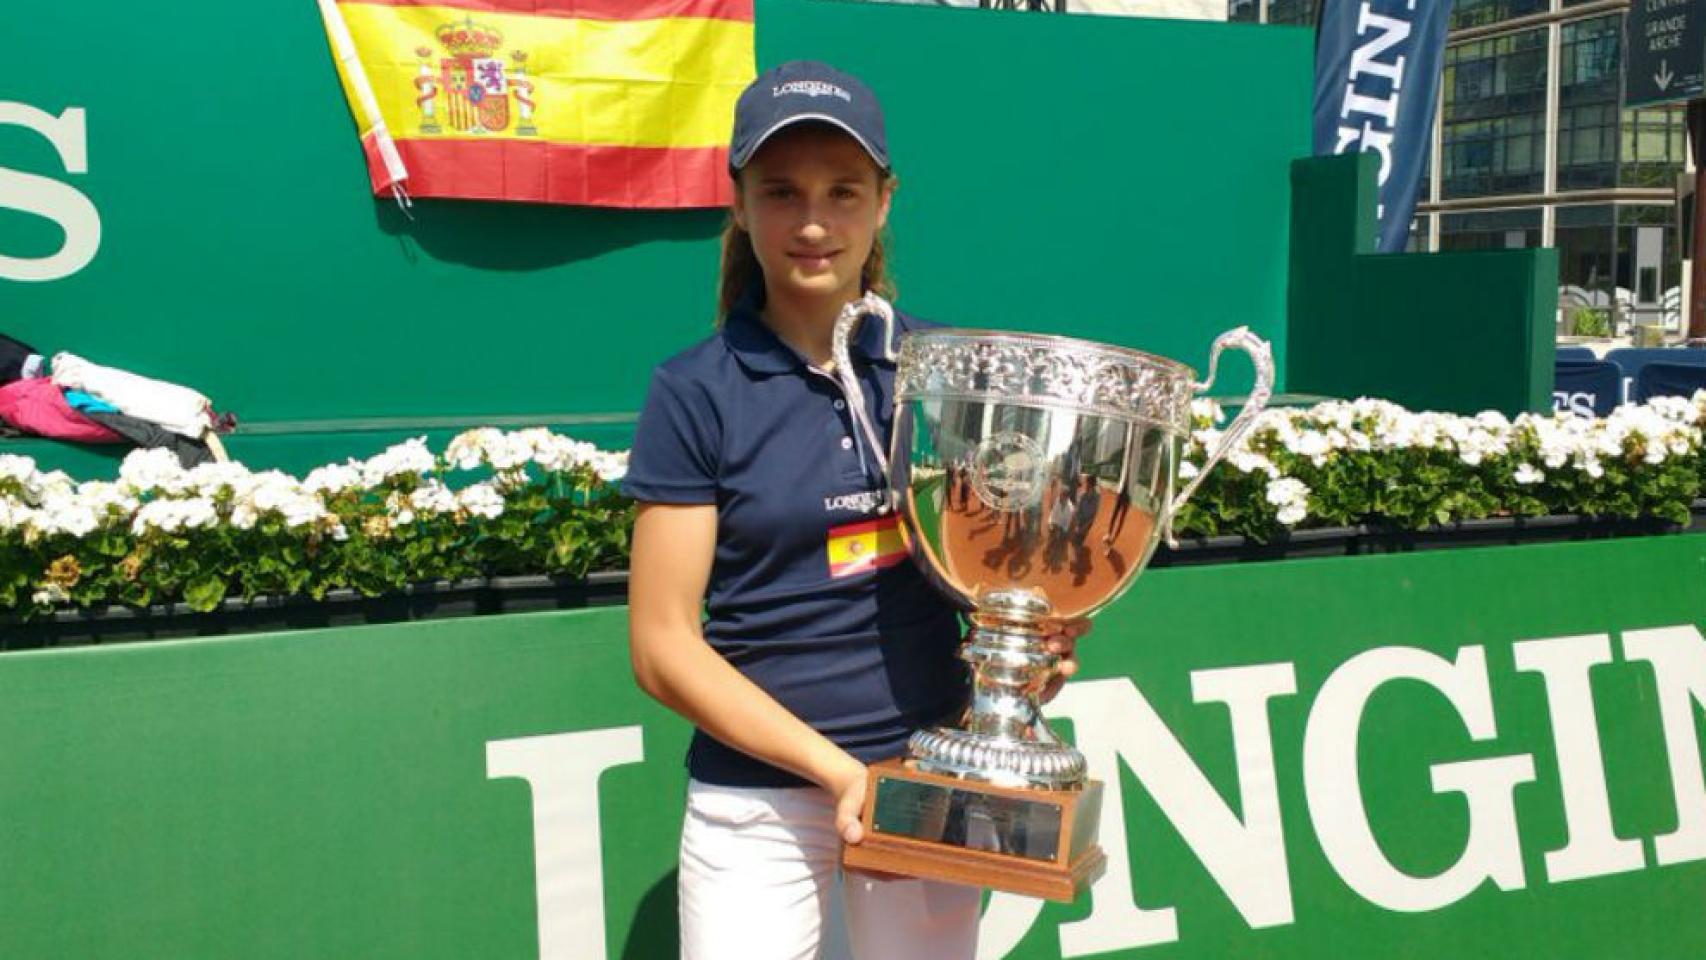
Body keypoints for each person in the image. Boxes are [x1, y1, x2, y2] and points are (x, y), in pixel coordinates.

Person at [622, 61, 1086, 960]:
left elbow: (988, 571)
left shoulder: (949, 375)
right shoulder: (693, 391)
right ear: (739, 203)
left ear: (883, 200)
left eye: (842, 192)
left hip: (931, 776)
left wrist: (1030, 647)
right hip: (753, 801)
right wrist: (838, 774)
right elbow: (661, 646)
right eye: (780, 192)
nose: (811, 223)